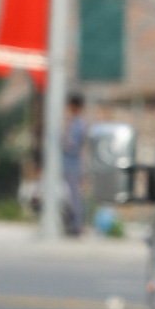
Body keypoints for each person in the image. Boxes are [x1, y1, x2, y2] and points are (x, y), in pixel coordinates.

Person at [61, 92, 89, 236]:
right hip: (69, 163)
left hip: (73, 164)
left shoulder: (79, 124)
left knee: (74, 196)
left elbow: (70, 145)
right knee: (70, 195)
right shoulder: (75, 122)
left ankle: (76, 226)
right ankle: (71, 224)